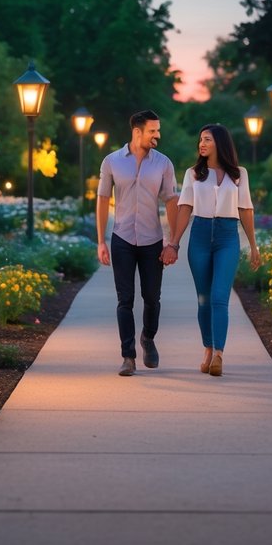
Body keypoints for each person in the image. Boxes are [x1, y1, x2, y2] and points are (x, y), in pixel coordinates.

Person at [167, 123, 261, 377]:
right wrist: (174, 243)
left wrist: (253, 246)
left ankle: (219, 353)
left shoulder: (238, 174)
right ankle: (207, 348)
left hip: (227, 238)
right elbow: (185, 207)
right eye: (200, 140)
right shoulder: (193, 174)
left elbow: (246, 209)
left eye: (207, 139)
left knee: (220, 297)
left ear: (220, 142)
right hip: (199, 237)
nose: (202, 144)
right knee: (203, 299)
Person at [96, 110, 180, 377]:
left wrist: (173, 243)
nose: (158, 135)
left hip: (151, 240)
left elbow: (171, 202)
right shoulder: (111, 162)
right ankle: (128, 356)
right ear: (137, 132)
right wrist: (101, 241)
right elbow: (101, 200)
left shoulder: (164, 164)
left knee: (152, 298)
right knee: (125, 300)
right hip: (121, 238)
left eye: (158, 130)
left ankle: (148, 338)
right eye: (153, 131)